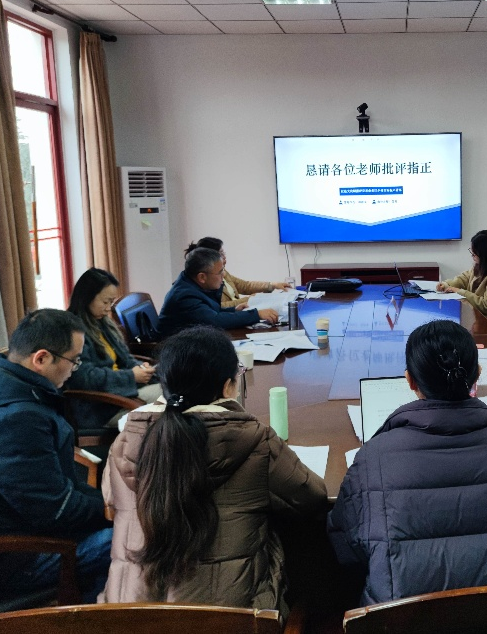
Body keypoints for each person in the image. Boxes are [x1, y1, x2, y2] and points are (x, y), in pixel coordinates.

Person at [100, 326, 327, 614]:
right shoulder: (254, 439)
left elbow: (110, 501)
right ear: (227, 386)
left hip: (127, 617)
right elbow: (311, 498)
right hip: (234, 620)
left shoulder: (126, 439)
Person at [327, 320, 487, 605]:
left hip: (401, 620)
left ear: (410, 381)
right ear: (478, 374)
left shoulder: (375, 456)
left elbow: (344, 543)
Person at [0, 309, 112, 602]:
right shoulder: (13, 419)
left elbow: (51, 494)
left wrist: (111, 505)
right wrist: (116, 509)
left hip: (13, 534)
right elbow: (56, 510)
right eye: (74, 360)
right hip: (10, 559)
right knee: (141, 540)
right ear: (41, 359)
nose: (75, 369)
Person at [65, 268, 161, 428]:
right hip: (102, 407)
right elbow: (85, 378)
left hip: (123, 394)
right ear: (87, 298)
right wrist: (131, 376)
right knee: (171, 396)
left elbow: (125, 359)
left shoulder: (103, 324)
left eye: (111, 302)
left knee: (177, 389)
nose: (109, 308)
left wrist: (141, 368)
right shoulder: (73, 331)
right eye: (105, 302)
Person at [157, 247, 279, 337]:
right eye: (220, 272)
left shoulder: (193, 284)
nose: (223, 275)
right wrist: (256, 314)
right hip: (178, 351)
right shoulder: (185, 295)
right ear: (202, 277)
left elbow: (210, 312)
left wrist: (234, 310)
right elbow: (215, 321)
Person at [436, 230, 487, 337]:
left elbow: (486, 306)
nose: (472, 256)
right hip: (480, 318)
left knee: (455, 333)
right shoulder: (484, 265)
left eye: (475, 253)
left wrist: (459, 291)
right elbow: (465, 278)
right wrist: (446, 285)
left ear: (484, 254)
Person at [186, 237, 290, 309]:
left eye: (224, 253)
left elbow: (245, 285)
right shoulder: (207, 279)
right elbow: (218, 307)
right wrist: (249, 299)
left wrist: (272, 285)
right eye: (221, 254)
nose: (224, 257)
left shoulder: (223, 272)